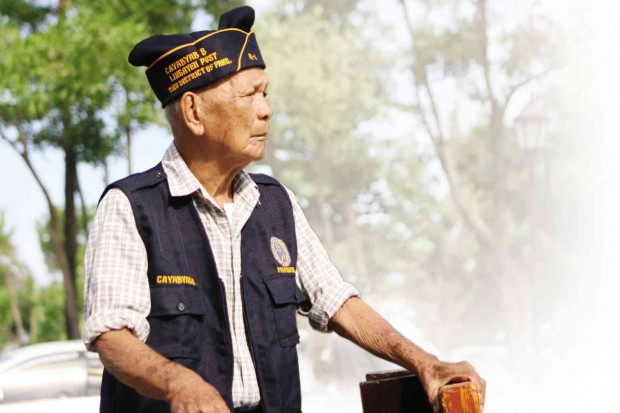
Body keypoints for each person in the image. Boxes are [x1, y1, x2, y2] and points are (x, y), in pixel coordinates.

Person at [83, 6, 485, 413]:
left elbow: (339, 302)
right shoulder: (131, 208)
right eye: (249, 94)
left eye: (265, 93)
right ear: (193, 112)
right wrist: (179, 385)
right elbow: (111, 336)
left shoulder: (275, 204)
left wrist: (426, 363)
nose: (265, 110)